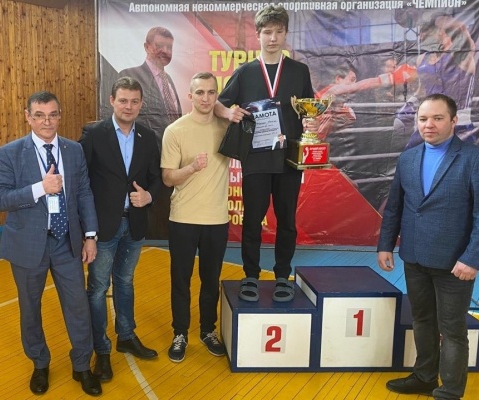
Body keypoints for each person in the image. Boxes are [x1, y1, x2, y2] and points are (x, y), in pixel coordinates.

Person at [0, 91, 102, 396]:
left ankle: (82, 365)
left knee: (78, 307)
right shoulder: (10, 153)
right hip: (27, 246)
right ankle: (40, 364)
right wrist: (40, 188)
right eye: (39, 115)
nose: (47, 121)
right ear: (28, 117)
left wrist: (90, 236)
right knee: (30, 308)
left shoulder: (74, 150)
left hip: (66, 243)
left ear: (60, 116)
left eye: (53, 114)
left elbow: (84, 194)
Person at [377, 93, 479, 400]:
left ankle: (450, 391)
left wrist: (472, 258)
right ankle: (424, 377)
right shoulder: (408, 158)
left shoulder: (472, 158)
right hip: (414, 257)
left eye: (437, 118)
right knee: (422, 320)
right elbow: (395, 207)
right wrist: (385, 245)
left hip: (456, 263)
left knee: (452, 330)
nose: (428, 125)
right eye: (423, 119)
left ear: (453, 121)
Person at [214, 5, 314, 303]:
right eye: (267, 32)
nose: (273, 38)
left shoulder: (299, 71)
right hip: (256, 158)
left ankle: (283, 274)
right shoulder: (245, 72)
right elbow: (219, 104)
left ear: (285, 33)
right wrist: (228, 112)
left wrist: (310, 121)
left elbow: (308, 109)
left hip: (289, 158)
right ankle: (251, 275)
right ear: (257, 34)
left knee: (287, 221)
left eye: (279, 32)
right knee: (252, 220)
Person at [79, 77, 162, 381]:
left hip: (134, 225)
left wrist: (149, 196)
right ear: (112, 101)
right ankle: (101, 349)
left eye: (134, 101)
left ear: (141, 104)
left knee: (125, 282)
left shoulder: (148, 136)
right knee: (98, 288)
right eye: (123, 100)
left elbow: (156, 178)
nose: (129, 106)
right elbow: (80, 182)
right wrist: (86, 230)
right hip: (102, 227)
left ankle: (126, 336)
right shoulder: (93, 134)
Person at [162, 72, 230, 362]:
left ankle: (207, 330)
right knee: (181, 280)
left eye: (211, 92)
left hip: (217, 219)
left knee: (211, 280)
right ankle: (180, 333)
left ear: (217, 96)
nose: (205, 98)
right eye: (200, 92)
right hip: (183, 219)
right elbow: (167, 178)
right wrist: (191, 168)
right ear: (190, 96)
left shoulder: (227, 128)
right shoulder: (175, 130)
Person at [118, 26, 183, 240]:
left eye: (169, 47)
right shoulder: (130, 76)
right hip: (144, 167)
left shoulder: (169, 80)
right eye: (159, 46)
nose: (165, 51)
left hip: (169, 164)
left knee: (164, 226)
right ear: (146, 47)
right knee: (145, 233)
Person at [399, 14, 477, 148]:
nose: (421, 37)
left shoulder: (460, 56)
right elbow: (422, 90)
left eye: (426, 32)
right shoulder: (422, 59)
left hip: (459, 127)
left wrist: (446, 21)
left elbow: (464, 35)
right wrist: (409, 105)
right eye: (421, 33)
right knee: (410, 155)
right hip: (430, 125)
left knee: (459, 160)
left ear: (441, 33)